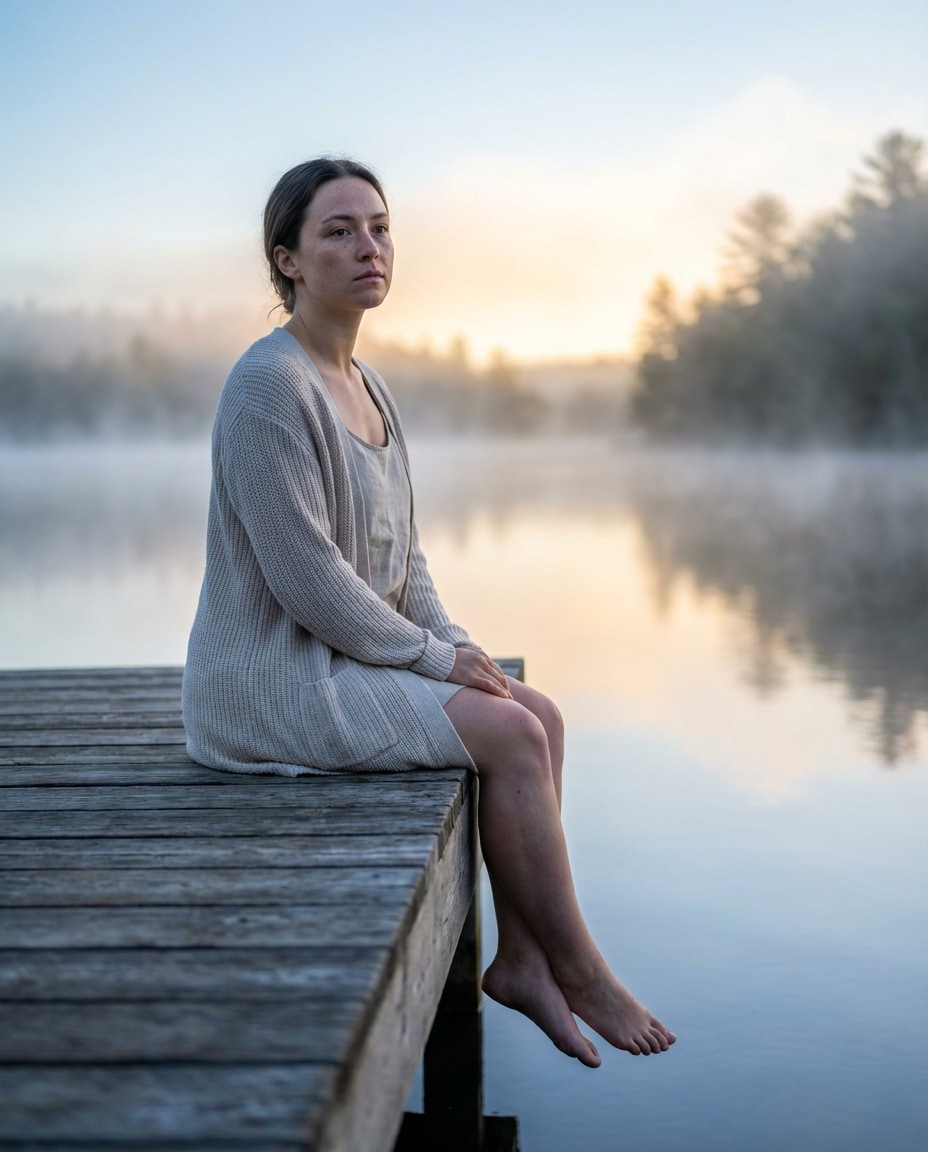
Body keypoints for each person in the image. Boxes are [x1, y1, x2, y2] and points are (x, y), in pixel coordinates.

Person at [182, 157, 676, 1065]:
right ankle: (585, 971)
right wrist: (432, 661)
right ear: (286, 259)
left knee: (540, 717)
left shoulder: (372, 390)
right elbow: (307, 578)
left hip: (342, 658)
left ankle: (523, 959)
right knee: (511, 736)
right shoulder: (267, 385)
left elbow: (402, 563)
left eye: (378, 226)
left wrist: (455, 643)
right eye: (338, 230)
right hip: (268, 683)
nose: (368, 246)